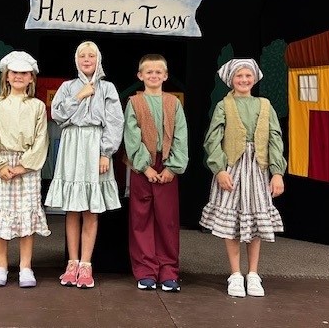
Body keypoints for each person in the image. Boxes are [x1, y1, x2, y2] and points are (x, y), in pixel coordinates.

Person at [199, 58, 286, 298]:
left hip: (258, 168)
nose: (244, 80)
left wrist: (277, 172)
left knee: (255, 222)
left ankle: (254, 274)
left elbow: (275, 138)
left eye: (248, 76)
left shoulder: (265, 105)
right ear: (231, 79)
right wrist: (219, 169)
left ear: (255, 78)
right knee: (232, 223)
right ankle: (235, 274)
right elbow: (212, 139)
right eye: (239, 76)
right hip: (232, 168)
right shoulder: (223, 105)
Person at [44, 40, 124, 289]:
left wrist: (105, 153)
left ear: (98, 59)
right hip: (72, 145)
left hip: (94, 144)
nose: (86, 59)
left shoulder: (108, 88)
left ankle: (86, 265)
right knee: (73, 209)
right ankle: (72, 262)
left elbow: (114, 122)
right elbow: (57, 114)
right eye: (82, 55)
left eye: (91, 55)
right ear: (76, 60)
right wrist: (78, 96)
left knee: (90, 208)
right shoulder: (68, 87)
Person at [0, 51, 50, 288]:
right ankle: (1, 266)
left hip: (26, 167)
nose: (18, 76)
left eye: (24, 73)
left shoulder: (36, 106)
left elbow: (40, 138)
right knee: (1, 216)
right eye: (14, 72)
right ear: (6, 76)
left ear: (31, 78)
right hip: (1, 166)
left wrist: (24, 166)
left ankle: (26, 266)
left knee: (27, 215)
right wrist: (0, 165)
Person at [123, 54, 189, 292]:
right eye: (148, 72)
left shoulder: (173, 103)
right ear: (140, 76)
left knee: (167, 220)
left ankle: (169, 271)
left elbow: (181, 136)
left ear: (166, 75)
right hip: (144, 165)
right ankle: (145, 271)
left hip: (168, 164)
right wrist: (144, 166)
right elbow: (131, 137)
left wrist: (173, 167)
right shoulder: (134, 103)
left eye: (158, 72)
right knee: (142, 219)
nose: (153, 75)